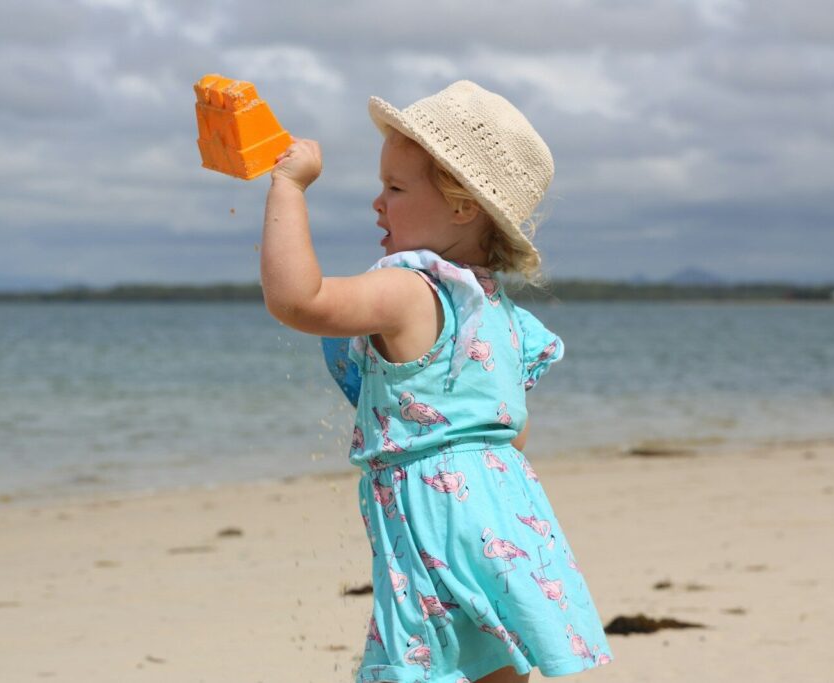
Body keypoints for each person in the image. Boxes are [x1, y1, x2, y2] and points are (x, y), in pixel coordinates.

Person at [260, 80, 614, 682]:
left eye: (394, 188)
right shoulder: (502, 316)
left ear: (462, 206)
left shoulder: (409, 287)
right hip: (504, 514)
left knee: (423, 664)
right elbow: (511, 432)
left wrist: (289, 189)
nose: (378, 203)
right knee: (494, 661)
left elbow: (300, 300)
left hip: (435, 521)